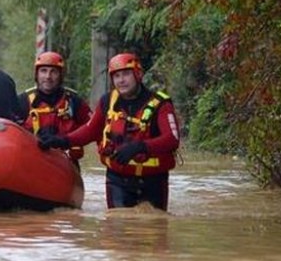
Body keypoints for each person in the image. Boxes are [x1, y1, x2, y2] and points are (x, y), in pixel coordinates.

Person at [40, 53, 180, 211]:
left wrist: (140, 147)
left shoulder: (160, 104)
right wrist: (61, 140)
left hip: (153, 180)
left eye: (126, 74)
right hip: (118, 181)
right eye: (116, 76)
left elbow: (172, 139)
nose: (121, 80)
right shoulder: (107, 101)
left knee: (154, 228)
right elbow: (89, 131)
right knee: (116, 227)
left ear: (138, 74)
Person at [19, 51, 92, 168]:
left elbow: (93, 129)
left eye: (53, 72)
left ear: (61, 75)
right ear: (36, 75)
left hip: (67, 165)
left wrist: (66, 140)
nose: (48, 77)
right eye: (43, 71)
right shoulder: (23, 102)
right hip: (34, 165)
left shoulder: (74, 101)